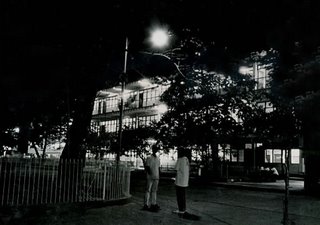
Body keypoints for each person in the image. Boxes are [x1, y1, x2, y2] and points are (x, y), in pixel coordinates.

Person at [142, 145, 161, 212]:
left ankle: (153, 203)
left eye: (157, 149)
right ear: (153, 149)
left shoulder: (158, 158)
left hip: (156, 176)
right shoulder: (149, 157)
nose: (156, 150)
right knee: (148, 190)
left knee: (154, 191)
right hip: (150, 177)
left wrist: (158, 175)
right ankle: (146, 204)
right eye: (155, 149)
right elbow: (147, 167)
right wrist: (150, 174)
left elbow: (158, 168)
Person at [173, 147, 190, 216]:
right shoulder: (186, 159)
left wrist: (174, 178)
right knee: (183, 196)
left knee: (179, 196)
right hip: (185, 181)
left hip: (179, 181)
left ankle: (180, 209)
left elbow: (176, 170)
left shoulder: (179, 160)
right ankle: (184, 208)